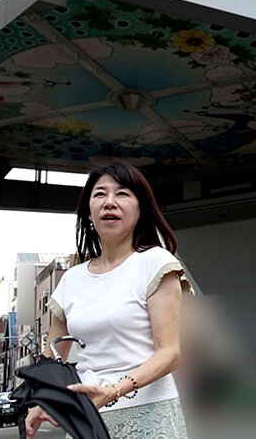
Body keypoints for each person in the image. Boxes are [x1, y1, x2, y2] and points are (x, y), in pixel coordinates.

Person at [25, 161, 193, 438]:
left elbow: (170, 353)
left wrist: (114, 390)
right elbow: (54, 356)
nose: (109, 202)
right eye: (100, 194)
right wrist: (42, 397)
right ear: (88, 212)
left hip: (149, 414)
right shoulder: (71, 279)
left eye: (122, 193)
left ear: (141, 209)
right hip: (87, 415)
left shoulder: (156, 263)